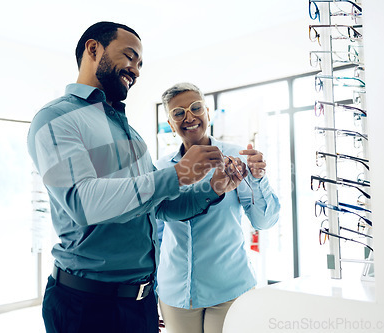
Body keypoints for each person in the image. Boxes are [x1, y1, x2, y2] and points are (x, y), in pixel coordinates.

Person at [27, 22, 245, 333]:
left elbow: (161, 206)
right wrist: (180, 173)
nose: (137, 71)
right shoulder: (56, 119)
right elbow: (81, 202)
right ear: (93, 49)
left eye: (140, 64)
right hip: (86, 305)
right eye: (130, 57)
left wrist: (212, 188)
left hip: (139, 302)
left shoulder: (132, 135)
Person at [156, 82, 281, 333]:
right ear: (170, 124)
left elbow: (263, 222)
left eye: (196, 108)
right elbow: (156, 235)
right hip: (175, 293)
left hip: (229, 289)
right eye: (178, 113)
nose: (189, 117)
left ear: (208, 113)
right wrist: (153, 290)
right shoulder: (161, 169)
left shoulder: (236, 159)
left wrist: (258, 179)